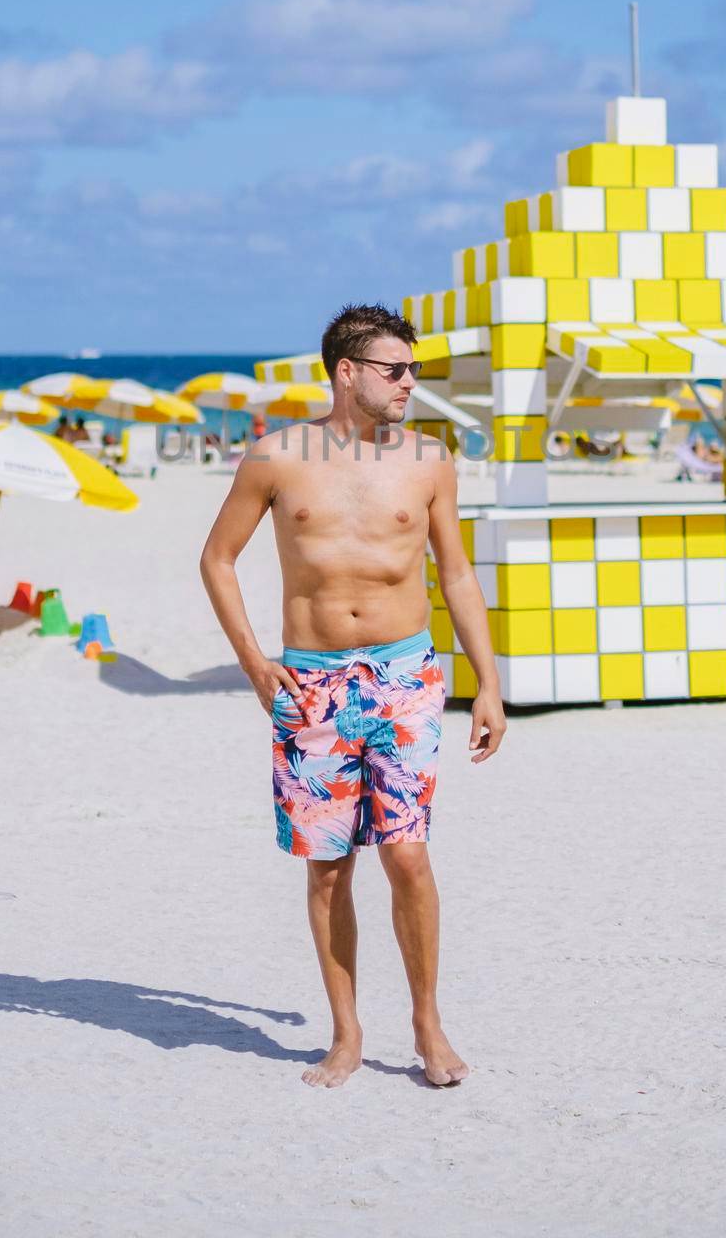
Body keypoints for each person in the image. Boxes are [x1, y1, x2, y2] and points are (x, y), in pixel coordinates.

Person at [200, 302, 505, 1090]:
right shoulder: (275, 459)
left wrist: (488, 683)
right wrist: (252, 663)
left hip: (406, 677)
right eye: (395, 369)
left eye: (414, 370)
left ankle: (427, 1024)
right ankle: (345, 1033)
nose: (411, 383)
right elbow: (217, 560)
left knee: (407, 855)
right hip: (312, 685)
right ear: (346, 372)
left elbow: (457, 575)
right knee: (329, 868)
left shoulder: (429, 460)